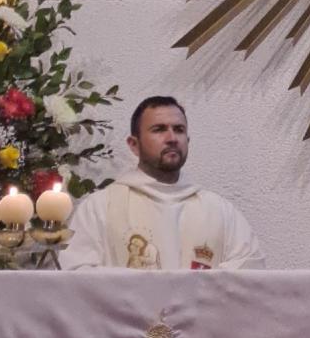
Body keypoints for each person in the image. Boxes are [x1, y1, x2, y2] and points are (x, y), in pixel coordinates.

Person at [62, 96, 264, 271]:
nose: (172, 138)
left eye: (179, 130)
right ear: (134, 145)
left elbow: (250, 269)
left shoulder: (220, 211)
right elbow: (77, 275)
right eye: (159, 129)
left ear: (188, 140)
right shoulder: (100, 208)